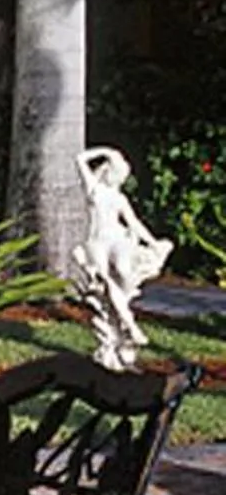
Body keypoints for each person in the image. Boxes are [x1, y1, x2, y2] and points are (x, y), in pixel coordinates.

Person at [73, 146, 171, 369]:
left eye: (121, 177)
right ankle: (128, 329)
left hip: (117, 238)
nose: (118, 179)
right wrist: (107, 152)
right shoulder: (94, 189)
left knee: (125, 274)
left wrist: (153, 242)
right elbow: (80, 159)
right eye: (115, 174)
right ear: (108, 172)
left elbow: (134, 223)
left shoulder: (119, 197)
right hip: (97, 242)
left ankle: (126, 330)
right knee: (105, 283)